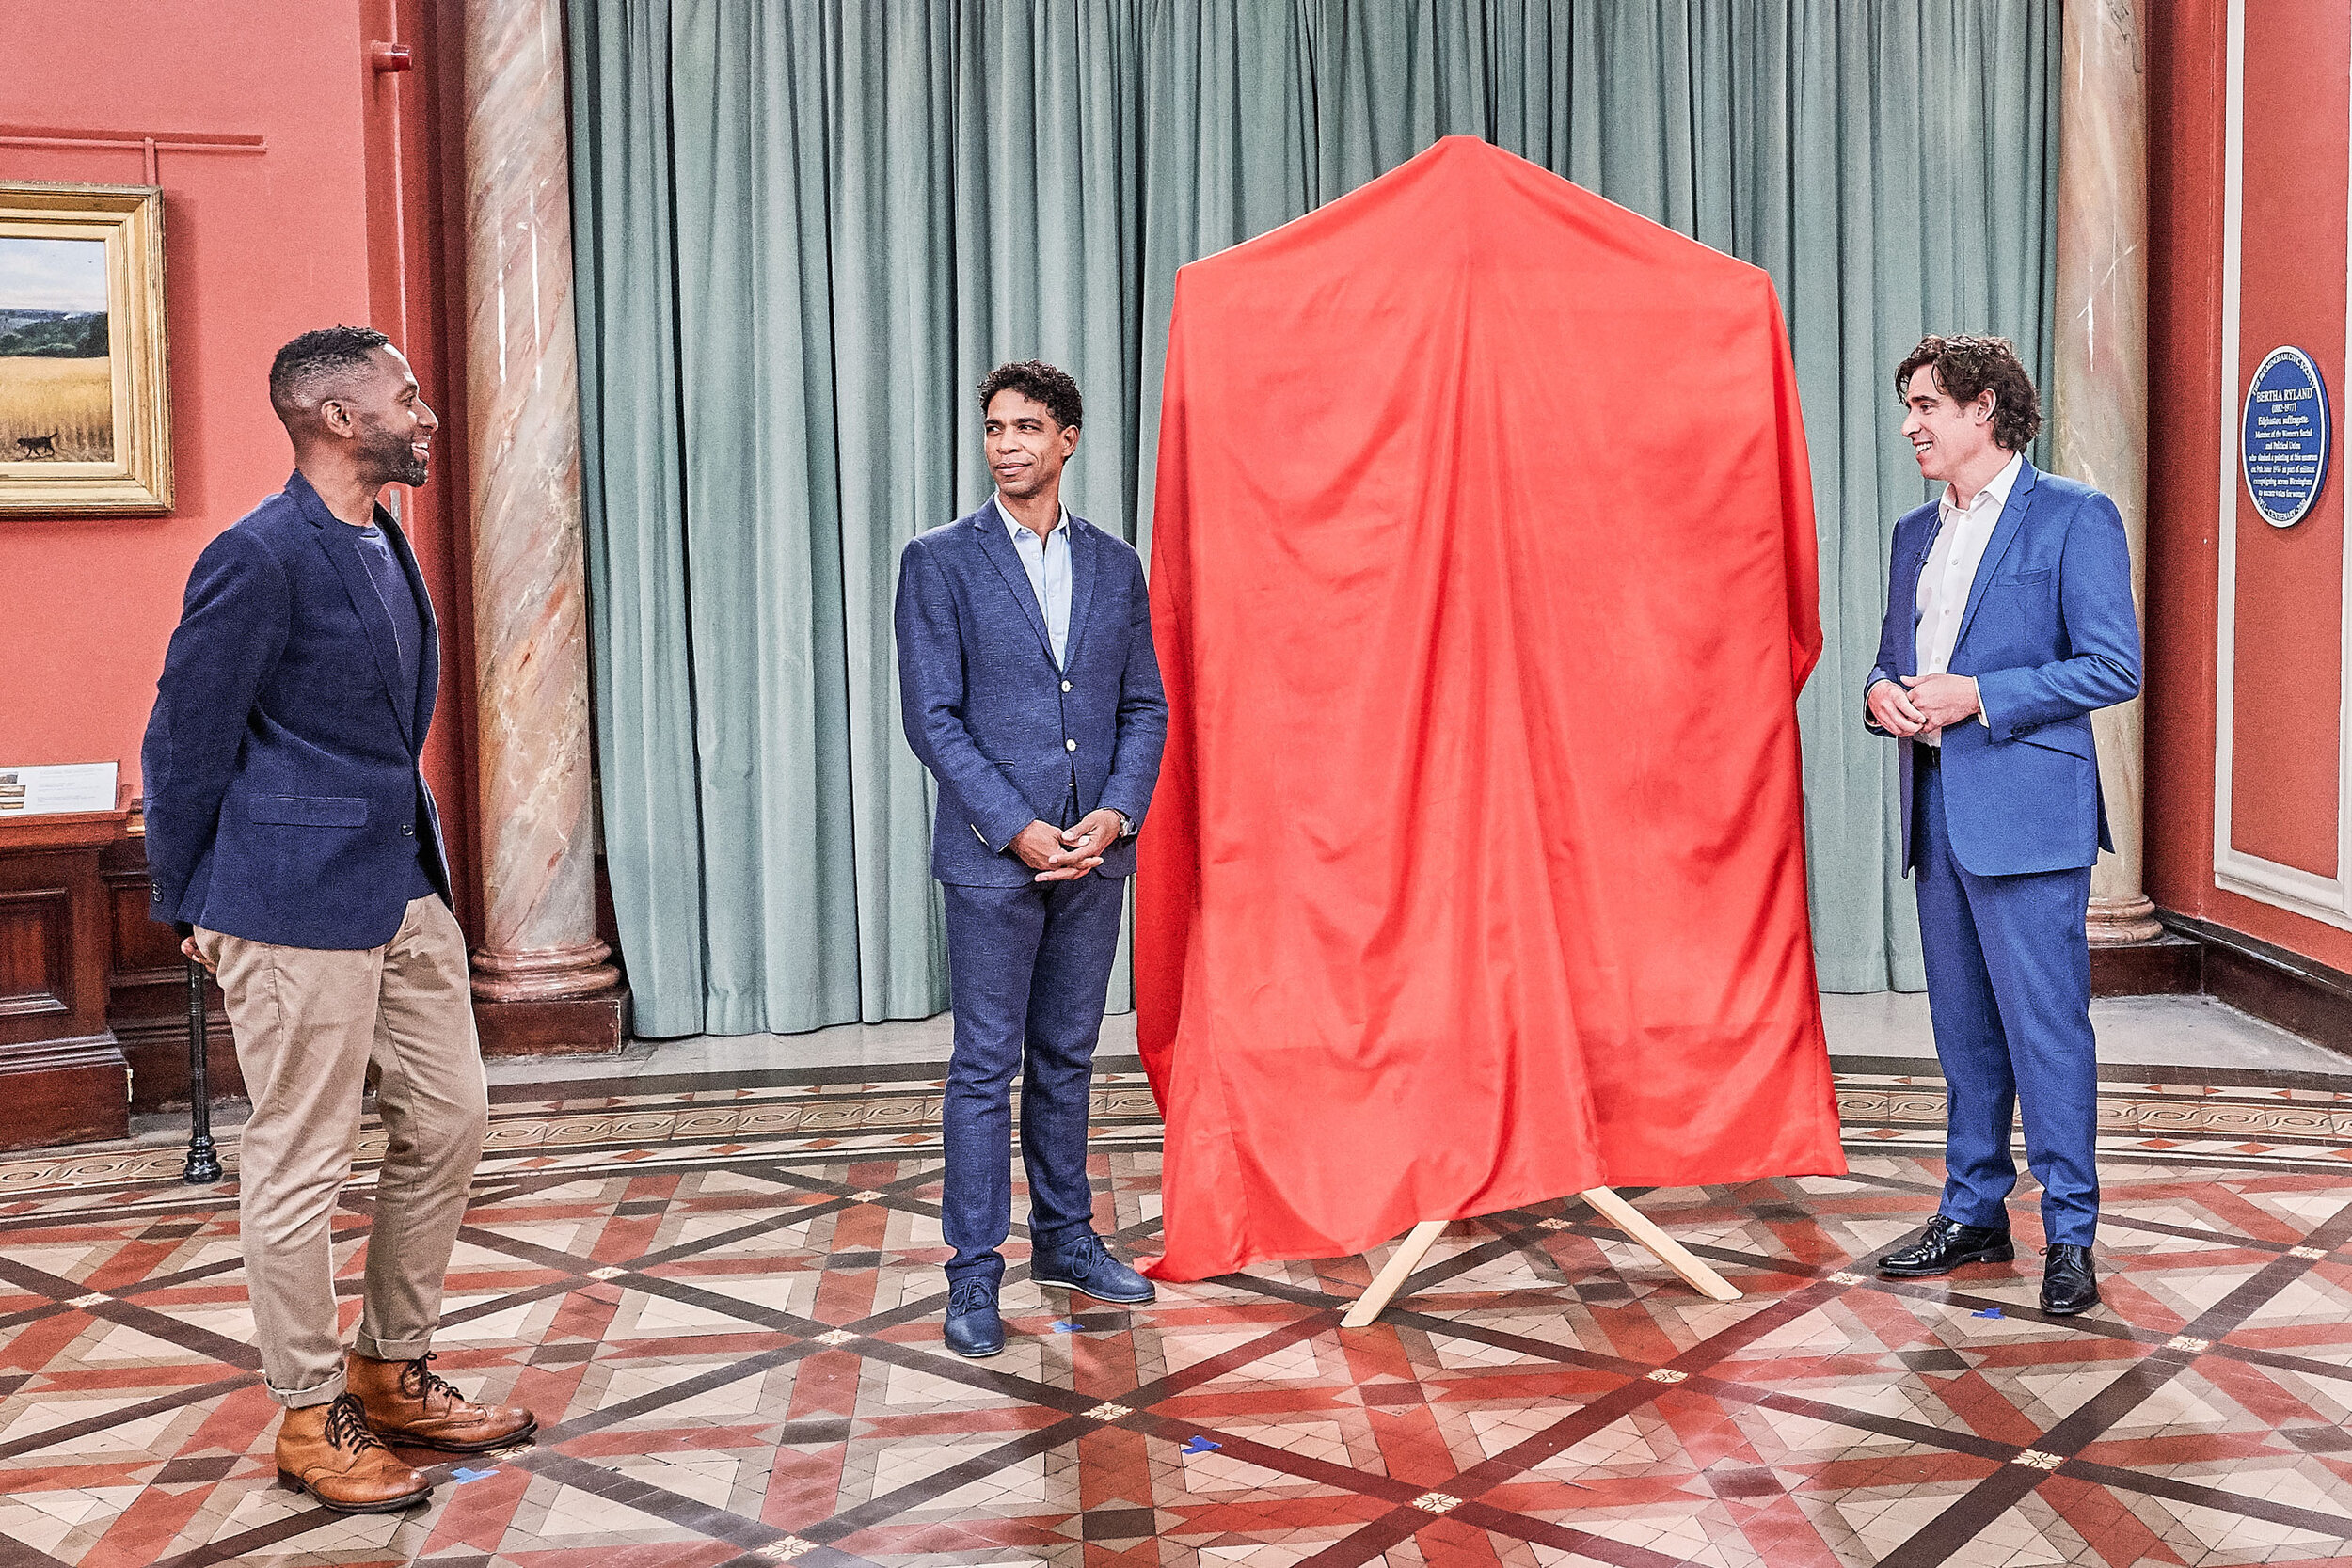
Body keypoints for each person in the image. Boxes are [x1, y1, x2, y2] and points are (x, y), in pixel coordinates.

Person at [143, 327, 534, 1512]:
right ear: (335, 418)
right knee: (301, 1157)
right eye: (405, 397)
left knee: (453, 1115)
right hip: (286, 894)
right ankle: (313, 1413)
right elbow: (183, 736)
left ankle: (391, 1360)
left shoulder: (384, 540)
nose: (425, 413)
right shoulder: (257, 556)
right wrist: (187, 897)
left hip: (397, 882)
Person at [894, 360, 1168, 1357]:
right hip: (991, 858)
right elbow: (933, 719)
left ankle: (1067, 1238)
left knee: (1066, 1057)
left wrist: (1114, 815)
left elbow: (1144, 706)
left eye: (1026, 427)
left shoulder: (1114, 565)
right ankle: (973, 1275)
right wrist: (1016, 826)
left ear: (1068, 441)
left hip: (1093, 858)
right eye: (994, 427)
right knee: (983, 1066)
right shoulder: (939, 561)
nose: (1006, 442)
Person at [1864, 334, 2141, 1316]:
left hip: (2028, 817)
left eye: (1926, 406)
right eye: (1909, 408)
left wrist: (1978, 693)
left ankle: (2071, 1233)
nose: (1910, 426)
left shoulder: (2072, 516)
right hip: (1936, 810)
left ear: (1984, 409)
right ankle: (1973, 1212)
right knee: (1965, 1036)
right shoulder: (1912, 532)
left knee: (2045, 1033)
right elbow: (1892, 658)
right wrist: (1882, 696)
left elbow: (2114, 666)